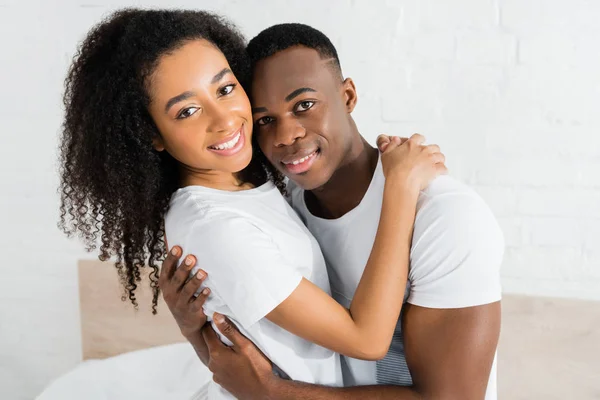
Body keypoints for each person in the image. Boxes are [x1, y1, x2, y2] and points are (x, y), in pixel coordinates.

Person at [58, 9, 445, 399]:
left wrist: (196, 331)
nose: (225, 120)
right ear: (152, 134)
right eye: (187, 111)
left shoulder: (245, 187)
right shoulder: (217, 227)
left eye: (225, 89)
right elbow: (367, 339)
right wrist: (400, 187)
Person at [162, 23, 504, 399]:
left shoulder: (445, 219)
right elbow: (245, 362)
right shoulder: (286, 209)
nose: (286, 134)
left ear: (348, 96)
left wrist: (272, 393)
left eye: (304, 105)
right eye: (265, 120)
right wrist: (195, 327)